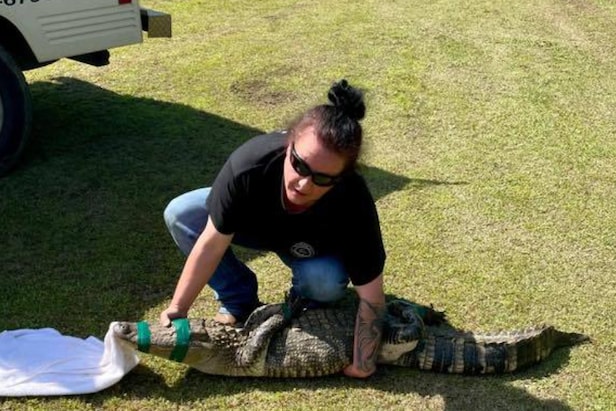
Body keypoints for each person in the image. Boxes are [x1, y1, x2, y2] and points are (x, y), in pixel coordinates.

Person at [160, 79, 386, 378]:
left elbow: (371, 296)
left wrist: (363, 363)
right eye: (300, 165)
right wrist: (178, 308)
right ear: (288, 143)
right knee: (182, 213)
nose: (304, 183)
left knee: (325, 282)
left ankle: (304, 306)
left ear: (341, 178)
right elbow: (211, 244)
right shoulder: (250, 164)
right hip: (255, 224)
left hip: (311, 246)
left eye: (322, 178)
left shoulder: (353, 201)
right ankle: (238, 300)